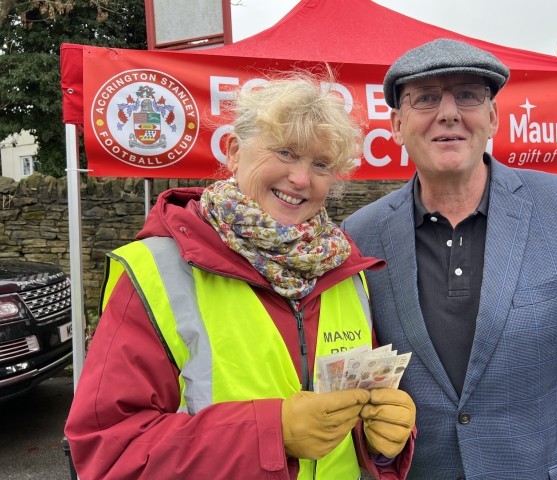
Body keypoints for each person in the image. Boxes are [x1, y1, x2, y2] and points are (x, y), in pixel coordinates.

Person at [65, 73, 416, 479]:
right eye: (285, 152)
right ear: (234, 151)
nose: (301, 179)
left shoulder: (345, 271)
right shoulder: (156, 269)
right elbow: (108, 454)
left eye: (320, 164)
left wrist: (382, 442)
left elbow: (351, 428)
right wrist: (273, 434)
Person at [342, 39, 557, 480]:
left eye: (467, 94)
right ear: (396, 124)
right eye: (425, 98)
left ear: (492, 118)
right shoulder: (360, 234)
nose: (448, 112)